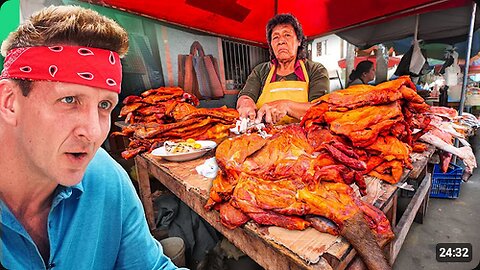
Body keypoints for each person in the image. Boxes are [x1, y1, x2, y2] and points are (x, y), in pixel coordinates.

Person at [0, 6, 184, 269]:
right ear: (10, 102)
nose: (94, 133)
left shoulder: (106, 178)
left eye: (104, 106)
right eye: (69, 100)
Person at [236, 13, 329, 125]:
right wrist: (246, 104)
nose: (281, 41)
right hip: (264, 136)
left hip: (303, 137)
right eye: (275, 37)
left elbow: (320, 109)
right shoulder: (260, 70)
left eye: (287, 35)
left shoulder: (315, 70)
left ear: (299, 41)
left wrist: (286, 106)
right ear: (271, 44)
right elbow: (245, 96)